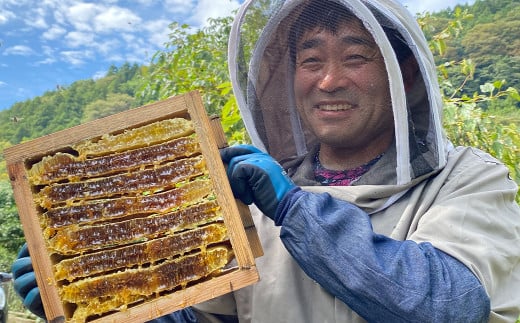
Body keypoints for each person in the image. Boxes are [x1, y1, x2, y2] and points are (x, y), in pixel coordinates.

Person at [12, 0, 520, 322]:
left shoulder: (468, 178)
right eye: (311, 60)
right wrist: (93, 297)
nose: (329, 80)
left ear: (404, 77)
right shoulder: (252, 199)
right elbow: (200, 317)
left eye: (356, 57)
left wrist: (296, 211)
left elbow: (447, 305)